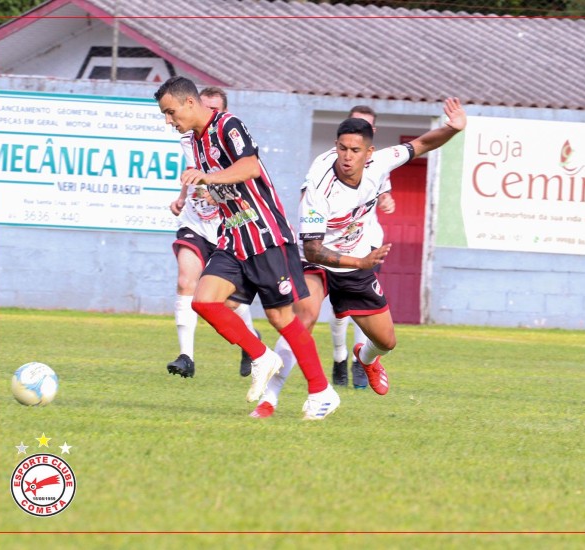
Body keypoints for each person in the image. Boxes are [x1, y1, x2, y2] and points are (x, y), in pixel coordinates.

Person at [251, 98, 466, 418]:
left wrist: (454, 128)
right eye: (342, 148)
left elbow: (422, 144)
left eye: (355, 150)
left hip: (356, 258)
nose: (347, 156)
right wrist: (360, 263)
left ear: (369, 153)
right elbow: (313, 249)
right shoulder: (320, 185)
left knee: (386, 341)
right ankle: (269, 400)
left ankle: (366, 359)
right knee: (304, 316)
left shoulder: (381, 162)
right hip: (317, 258)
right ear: (336, 146)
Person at [155, 76, 339, 420]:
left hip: (265, 234)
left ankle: (321, 392)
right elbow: (220, 183)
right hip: (233, 235)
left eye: (170, 112)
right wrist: (206, 190)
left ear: (190, 103)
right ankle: (261, 356)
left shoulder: (228, 125)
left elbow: (250, 167)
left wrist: (209, 178)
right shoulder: (193, 142)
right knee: (203, 301)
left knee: (281, 317)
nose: (168, 120)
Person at [167, 86, 261, 379]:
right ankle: (186, 357)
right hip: (195, 222)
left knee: (228, 301)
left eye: (213, 109)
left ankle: (251, 342)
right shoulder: (188, 137)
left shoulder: (230, 137)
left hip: (225, 226)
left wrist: (219, 191)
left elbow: (247, 177)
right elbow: (192, 169)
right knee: (186, 280)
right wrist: (182, 197)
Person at [321, 106, 395, 389]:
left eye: (366, 126)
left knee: (362, 309)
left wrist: (387, 200)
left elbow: (384, 192)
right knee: (339, 310)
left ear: (372, 134)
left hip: (367, 243)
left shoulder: (380, 163)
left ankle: (360, 362)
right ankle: (339, 357)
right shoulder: (326, 167)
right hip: (330, 245)